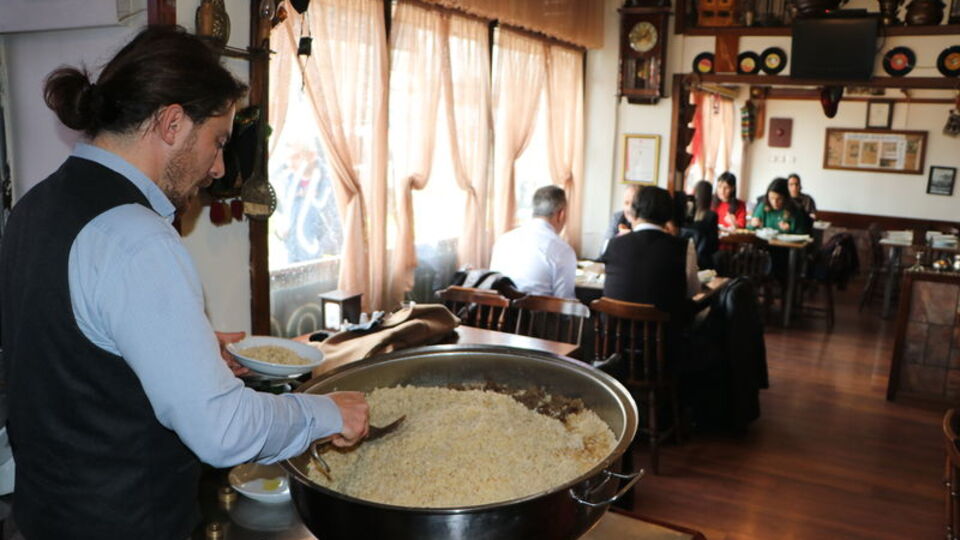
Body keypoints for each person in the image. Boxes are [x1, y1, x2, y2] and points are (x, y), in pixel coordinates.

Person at [0, 26, 369, 540]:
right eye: (217, 141)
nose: (218, 168)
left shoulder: (32, 208)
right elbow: (221, 430)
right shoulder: (138, 238)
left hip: (39, 517)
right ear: (172, 123)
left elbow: (60, 353)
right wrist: (326, 412)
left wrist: (182, 351)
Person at [601, 186, 701, 329]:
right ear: (668, 215)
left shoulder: (610, 244)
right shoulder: (684, 247)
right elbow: (692, 291)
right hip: (664, 342)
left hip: (614, 339)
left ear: (634, 212)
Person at [489, 185, 577, 298]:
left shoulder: (503, 240)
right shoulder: (562, 250)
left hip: (499, 313)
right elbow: (565, 302)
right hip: (538, 314)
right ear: (561, 214)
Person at [684, 180, 719, 270]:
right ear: (710, 196)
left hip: (685, 258)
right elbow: (714, 245)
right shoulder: (712, 215)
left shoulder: (688, 214)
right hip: (704, 261)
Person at [599, 184, 640, 258]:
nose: (629, 208)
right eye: (626, 203)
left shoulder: (647, 220)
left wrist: (631, 236)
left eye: (634, 204)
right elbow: (604, 250)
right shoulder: (618, 217)